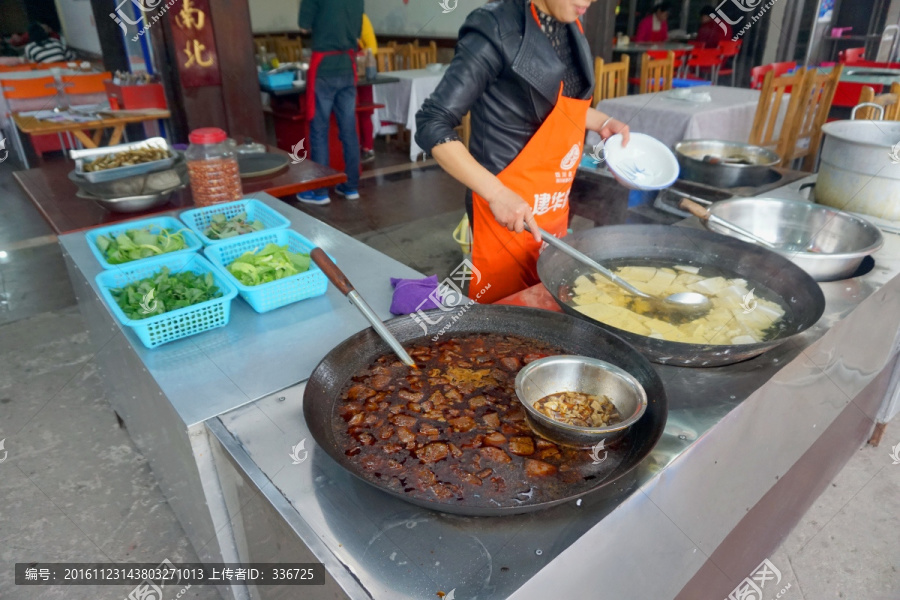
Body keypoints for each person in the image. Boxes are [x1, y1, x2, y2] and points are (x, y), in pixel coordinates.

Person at [416, 0, 630, 304]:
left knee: (547, 303)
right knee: (507, 321)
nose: (589, 1)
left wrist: (602, 122)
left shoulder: (570, 22)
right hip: (505, 208)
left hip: (551, 202)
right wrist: (497, 193)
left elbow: (555, 106)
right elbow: (431, 122)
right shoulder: (495, 26)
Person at [297, 0, 363, 205]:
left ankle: (320, 191)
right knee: (349, 130)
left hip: (324, 68)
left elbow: (303, 26)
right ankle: (351, 187)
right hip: (347, 65)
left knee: (319, 130)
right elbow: (358, 32)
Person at [358, 14, 377, 163]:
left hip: (362, 71)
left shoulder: (361, 18)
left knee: (364, 110)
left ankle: (367, 148)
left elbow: (372, 48)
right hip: (342, 73)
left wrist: (358, 57)